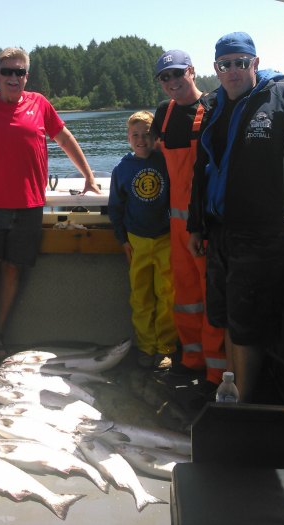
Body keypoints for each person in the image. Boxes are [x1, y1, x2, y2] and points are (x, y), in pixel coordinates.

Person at [187, 32, 284, 402]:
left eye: (241, 62)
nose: (234, 70)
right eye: (226, 64)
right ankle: (231, 392)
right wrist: (196, 224)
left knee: (248, 328)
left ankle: (244, 407)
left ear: (255, 63)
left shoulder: (283, 97)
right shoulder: (214, 106)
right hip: (220, 231)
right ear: (216, 69)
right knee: (225, 319)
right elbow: (202, 169)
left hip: (262, 232)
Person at [0, 47, 100, 373]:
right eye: (7, 71)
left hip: (28, 208)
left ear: (27, 75)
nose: (13, 77)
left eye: (19, 72)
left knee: (12, 271)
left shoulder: (40, 104)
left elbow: (64, 138)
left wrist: (88, 175)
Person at [150, 49, 227, 392]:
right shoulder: (163, 114)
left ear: (193, 72)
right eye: (165, 77)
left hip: (205, 224)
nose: (172, 82)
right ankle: (190, 361)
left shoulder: (213, 108)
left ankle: (215, 375)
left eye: (177, 74)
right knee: (185, 297)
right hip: (176, 226)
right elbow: (147, 154)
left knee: (211, 301)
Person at [108, 110, 178, 369]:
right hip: (136, 241)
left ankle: (166, 348)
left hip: (165, 239)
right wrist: (122, 239)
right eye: (135, 135)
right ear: (127, 138)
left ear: (155, 137)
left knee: (167, 294)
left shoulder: (164, 162)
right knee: (141, 297)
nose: (141, 140)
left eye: (147, 135)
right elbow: (116, 207)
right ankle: (146, 347)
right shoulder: (123, 169)